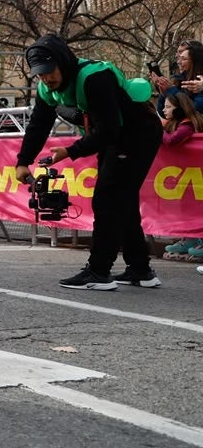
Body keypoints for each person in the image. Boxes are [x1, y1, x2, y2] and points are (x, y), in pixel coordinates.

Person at [15, 34, 163, 290]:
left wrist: (70, 151)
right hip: (113, 138)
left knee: (107, 200)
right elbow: (38, 125)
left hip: (137, 134)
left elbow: (109, 130)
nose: (46, 78)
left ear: (63, 62)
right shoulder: (47, 89)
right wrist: (23, 161)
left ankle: (98, 272)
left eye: (50, 71)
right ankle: (140, 270)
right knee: (122, 201)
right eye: (40, 74)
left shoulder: (94, 78)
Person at [158, 91, 203, 263]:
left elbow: (171, 141)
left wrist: (159, 128)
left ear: (179, 109)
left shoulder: (187, 125)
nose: (164, 110)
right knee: (188, 207)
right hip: (187, 174)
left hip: (195, 174)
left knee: (197, 208)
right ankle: (189, 238)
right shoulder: (176, 123)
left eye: (168, 107)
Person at [153, 40, 203, 116]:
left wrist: (172, 91)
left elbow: (194, 109)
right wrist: (164, 94)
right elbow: (165, 113)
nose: (178, 60)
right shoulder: (178, 78)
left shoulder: (199, 82)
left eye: (183, 58)